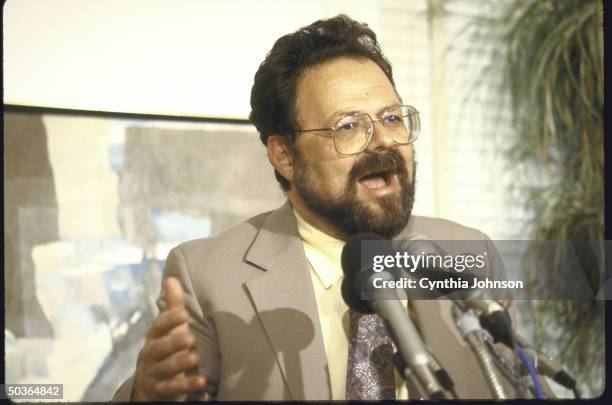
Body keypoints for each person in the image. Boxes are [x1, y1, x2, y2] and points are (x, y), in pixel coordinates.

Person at [113, 14, 526, 401]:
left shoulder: (469, 253)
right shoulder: (208, 278)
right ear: (284, 156)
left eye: (392, 118)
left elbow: (525, 384)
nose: (383, 140)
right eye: (348, 126)